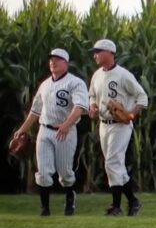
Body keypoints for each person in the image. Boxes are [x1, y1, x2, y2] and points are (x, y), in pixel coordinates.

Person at [14, 48, 88, 216]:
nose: (52, 62)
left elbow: (80, 107)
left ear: (66, 63)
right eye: (51, 59)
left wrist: (67, 125)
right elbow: (35, 111)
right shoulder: (45, 84)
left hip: (66, 132)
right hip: (45, 131)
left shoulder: (75, 82)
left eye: (57, 59)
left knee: (65, 173)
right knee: (44, 172)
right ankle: (45, 209)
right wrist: (22, 129)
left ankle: (70, 199)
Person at [88, 39, 148, 216]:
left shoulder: (123, 75)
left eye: (98, 51)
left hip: (120, 126)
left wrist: (131, 114)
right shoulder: (97, 75)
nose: (95, 55)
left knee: (112, 163)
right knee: (115, 166)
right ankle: (133, 201)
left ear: (109, 53)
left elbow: (142, 97)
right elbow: (92, 95)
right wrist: (92, 106)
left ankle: (116, 207)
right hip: (104, 125)